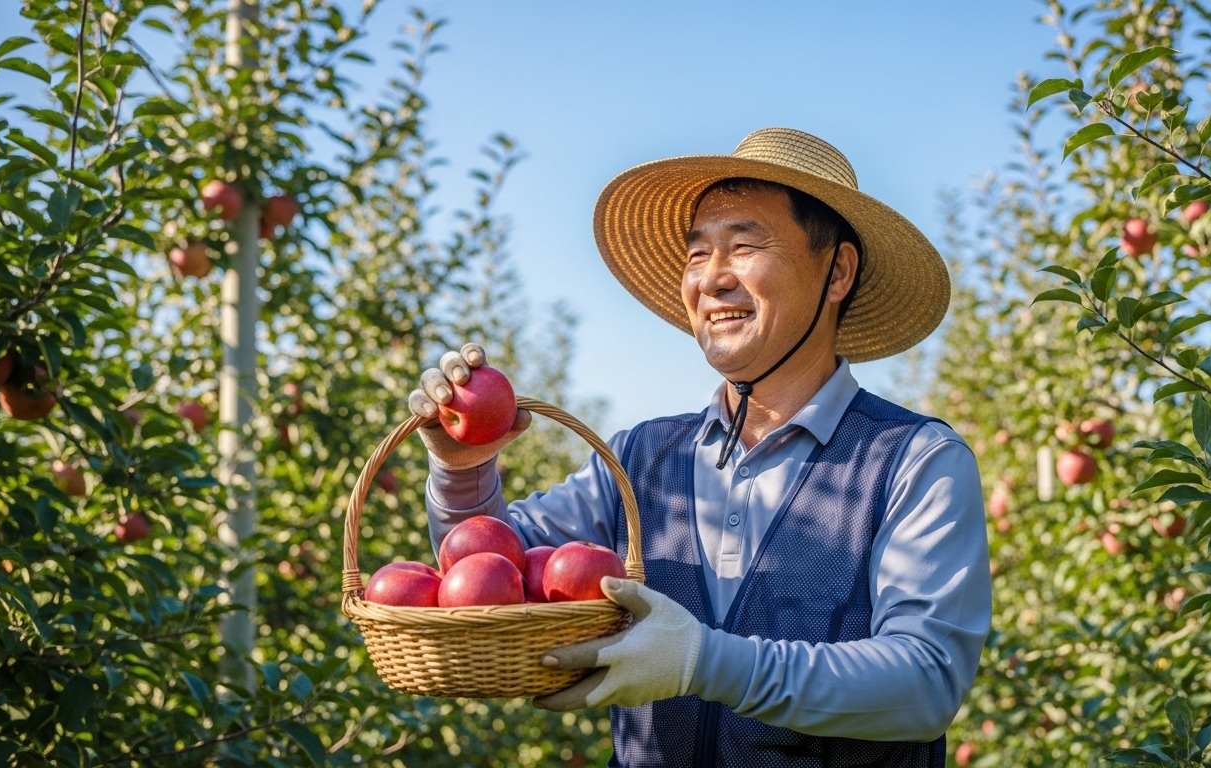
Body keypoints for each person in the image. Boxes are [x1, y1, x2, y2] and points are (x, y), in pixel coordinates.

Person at [406, 128, 991, 767]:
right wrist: (461, 471)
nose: (712, 279)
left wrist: (704, 662)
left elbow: (924, 682)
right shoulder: (639, 461)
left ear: (838, 271)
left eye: (744, 246)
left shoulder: (914, 461)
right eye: (697, 253)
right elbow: (484, 578)